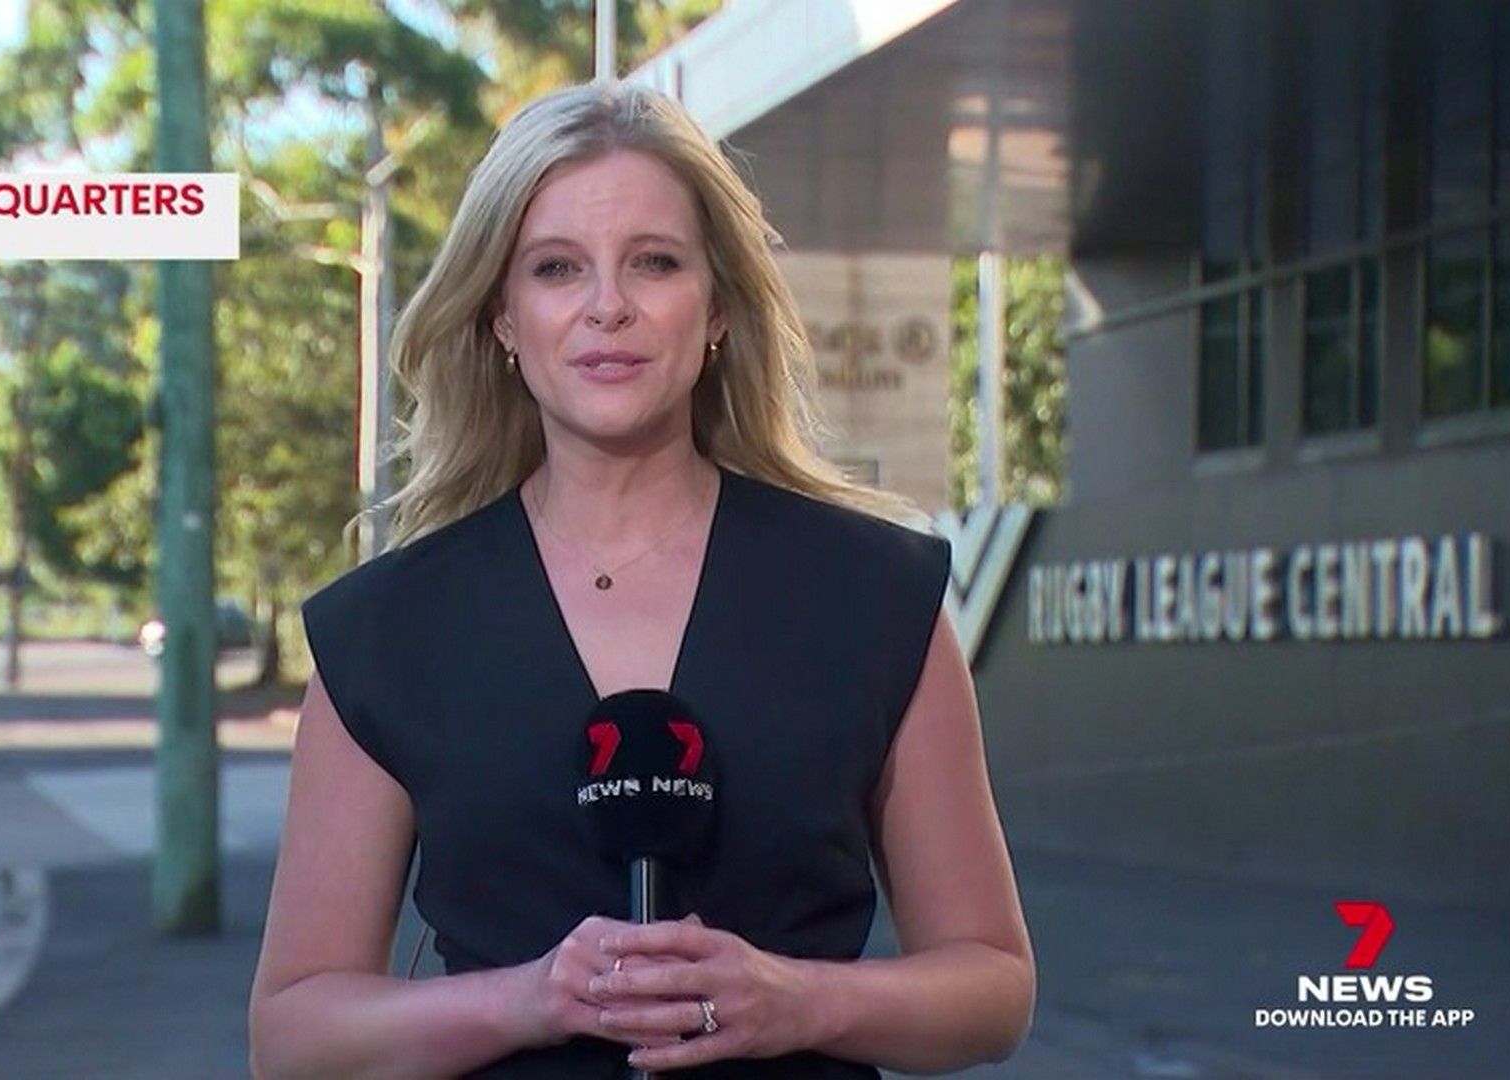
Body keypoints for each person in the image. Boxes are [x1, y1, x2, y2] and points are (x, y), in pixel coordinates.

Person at [249, 81, 1033, 1078]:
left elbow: (991, 986)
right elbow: (294, 1036)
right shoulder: (386, 632)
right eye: (556, 268)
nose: (608, 306)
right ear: (502, 316)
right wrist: (530, 999)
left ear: (718, 308)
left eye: (654, 262)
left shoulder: (878, 598)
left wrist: (798, 1000)